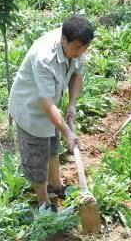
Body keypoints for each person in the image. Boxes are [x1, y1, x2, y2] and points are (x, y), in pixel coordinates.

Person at [9, 15, 94, 211]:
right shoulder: (44, 57)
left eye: (85, 48)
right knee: (37, 156)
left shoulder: (77, 45)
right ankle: (44, 202)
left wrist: (72, 105)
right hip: (31, 109)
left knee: (53, 145)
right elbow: (47, 106)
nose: (81, 52)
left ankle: (56, 185)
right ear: (64, 40)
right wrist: (69, 133)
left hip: (51, 105)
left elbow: (77, 74)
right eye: (78, 48)